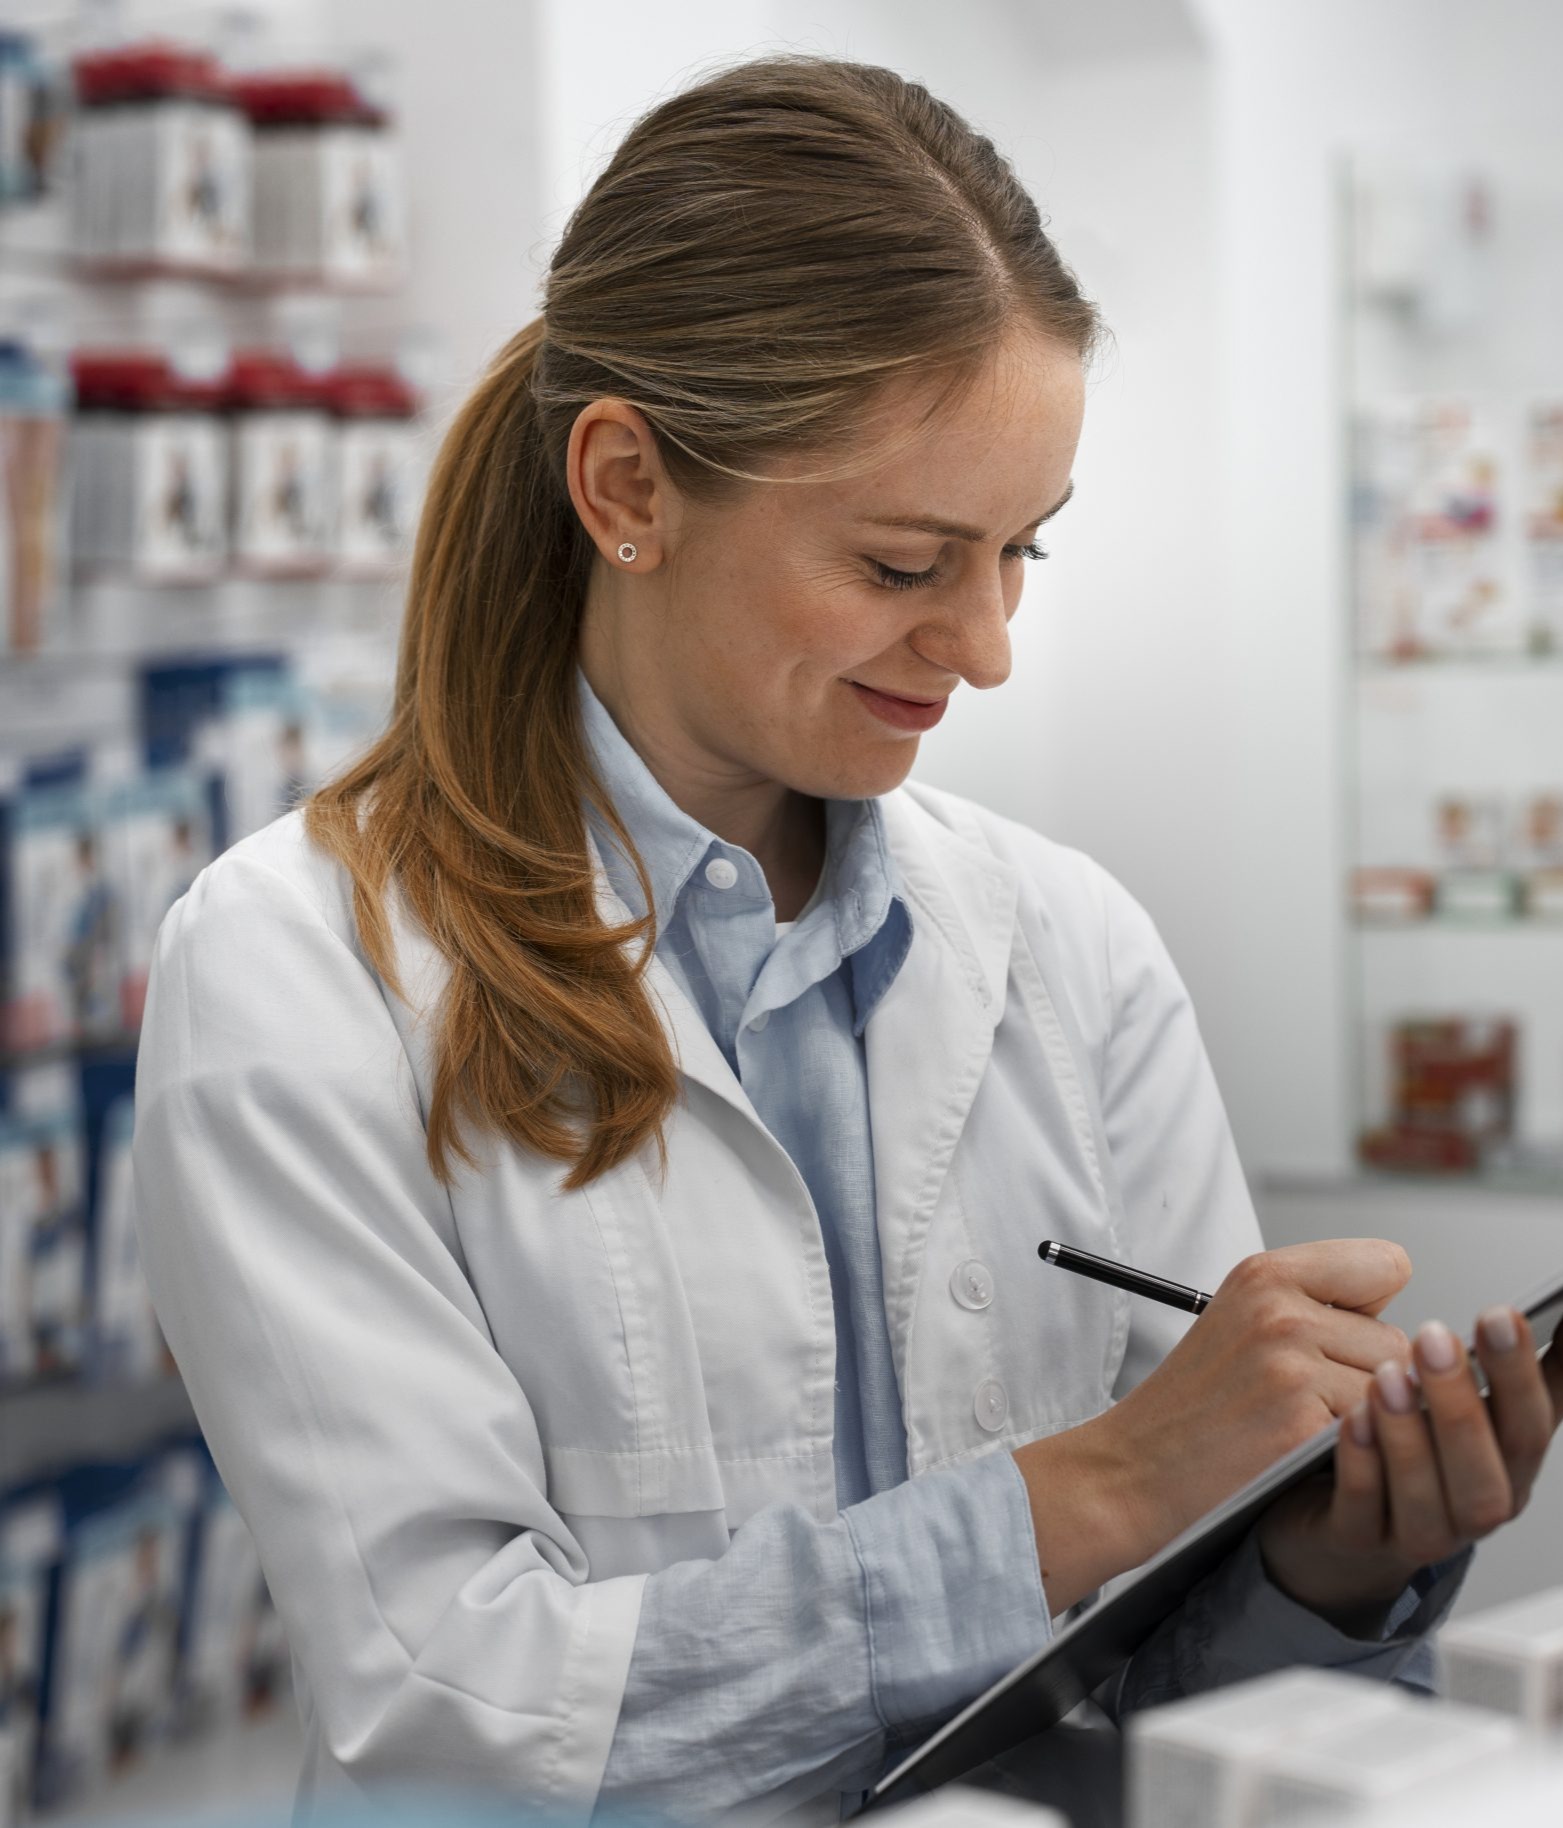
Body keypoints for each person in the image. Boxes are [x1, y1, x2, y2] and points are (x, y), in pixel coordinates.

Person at [129, 53, 1563, 1828]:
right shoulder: (296, 970)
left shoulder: (1072, 947)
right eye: (904, 564)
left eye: (1021, 553)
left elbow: (1141, 1693)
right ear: (629, 486)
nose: (985, 647)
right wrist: (1083, 1494)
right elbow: (452, 1693)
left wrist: (1323, 1566)